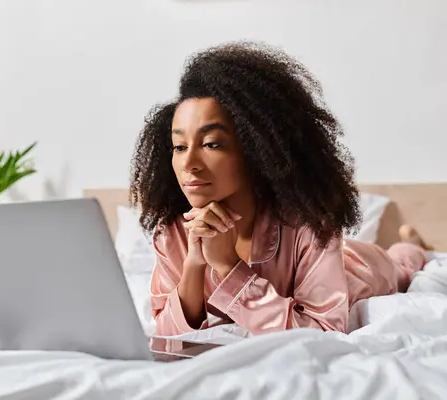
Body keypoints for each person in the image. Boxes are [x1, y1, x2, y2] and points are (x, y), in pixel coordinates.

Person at [129, 41, 432, 337]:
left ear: (257, 149)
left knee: (401, 262)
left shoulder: (311, 225)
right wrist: (194, 265)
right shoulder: (173, 233)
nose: (189, 163)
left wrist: (228, 267)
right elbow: (165, 336)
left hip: (357, 268)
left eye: (211, 144)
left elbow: (324, 331)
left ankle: (415, 244)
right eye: (179, 146)